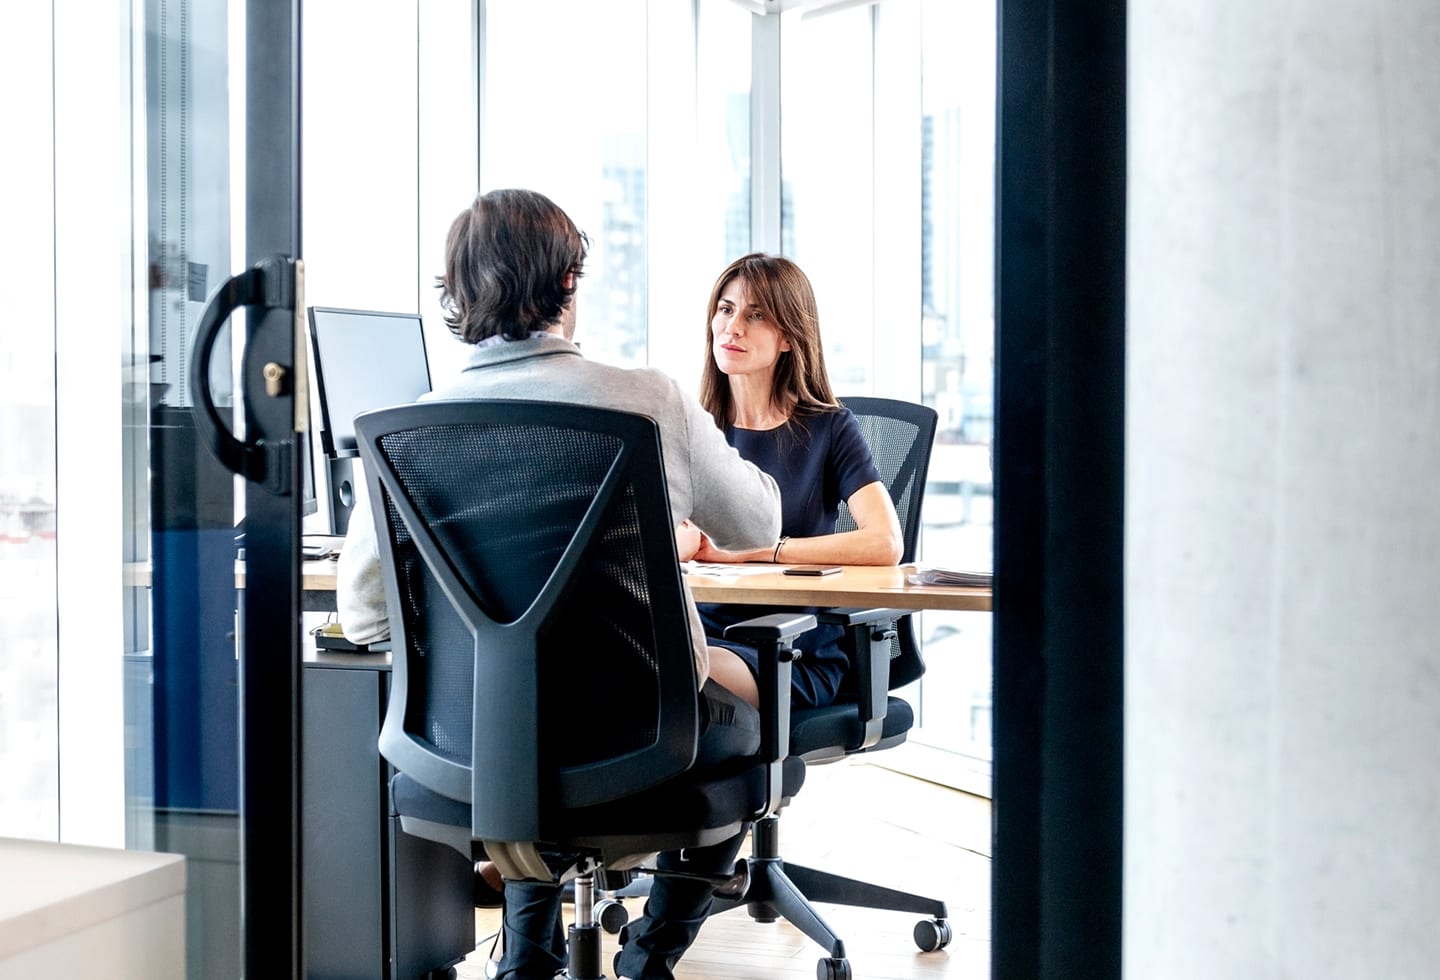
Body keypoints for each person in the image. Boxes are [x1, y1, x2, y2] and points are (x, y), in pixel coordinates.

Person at [336, 189, 782, 980]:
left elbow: (364, 616)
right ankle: (647, 960)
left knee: (524, 738)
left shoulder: (405, 428)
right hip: (649, 744)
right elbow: (757, 525)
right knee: (760, 739)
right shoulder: (649, 399)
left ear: (456, 293)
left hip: (465, 748)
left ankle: (527, 961)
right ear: (569, 283)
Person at [680, 252, 904, 712]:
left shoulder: (830, 428)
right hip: (699, 630)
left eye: (755, 314)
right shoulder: (695, 426)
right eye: (725, 309)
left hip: (790, 649)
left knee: (674, 676)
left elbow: (884, 542)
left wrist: (762, 548)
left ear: (787, 337)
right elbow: (678, 537)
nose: (733, 326)